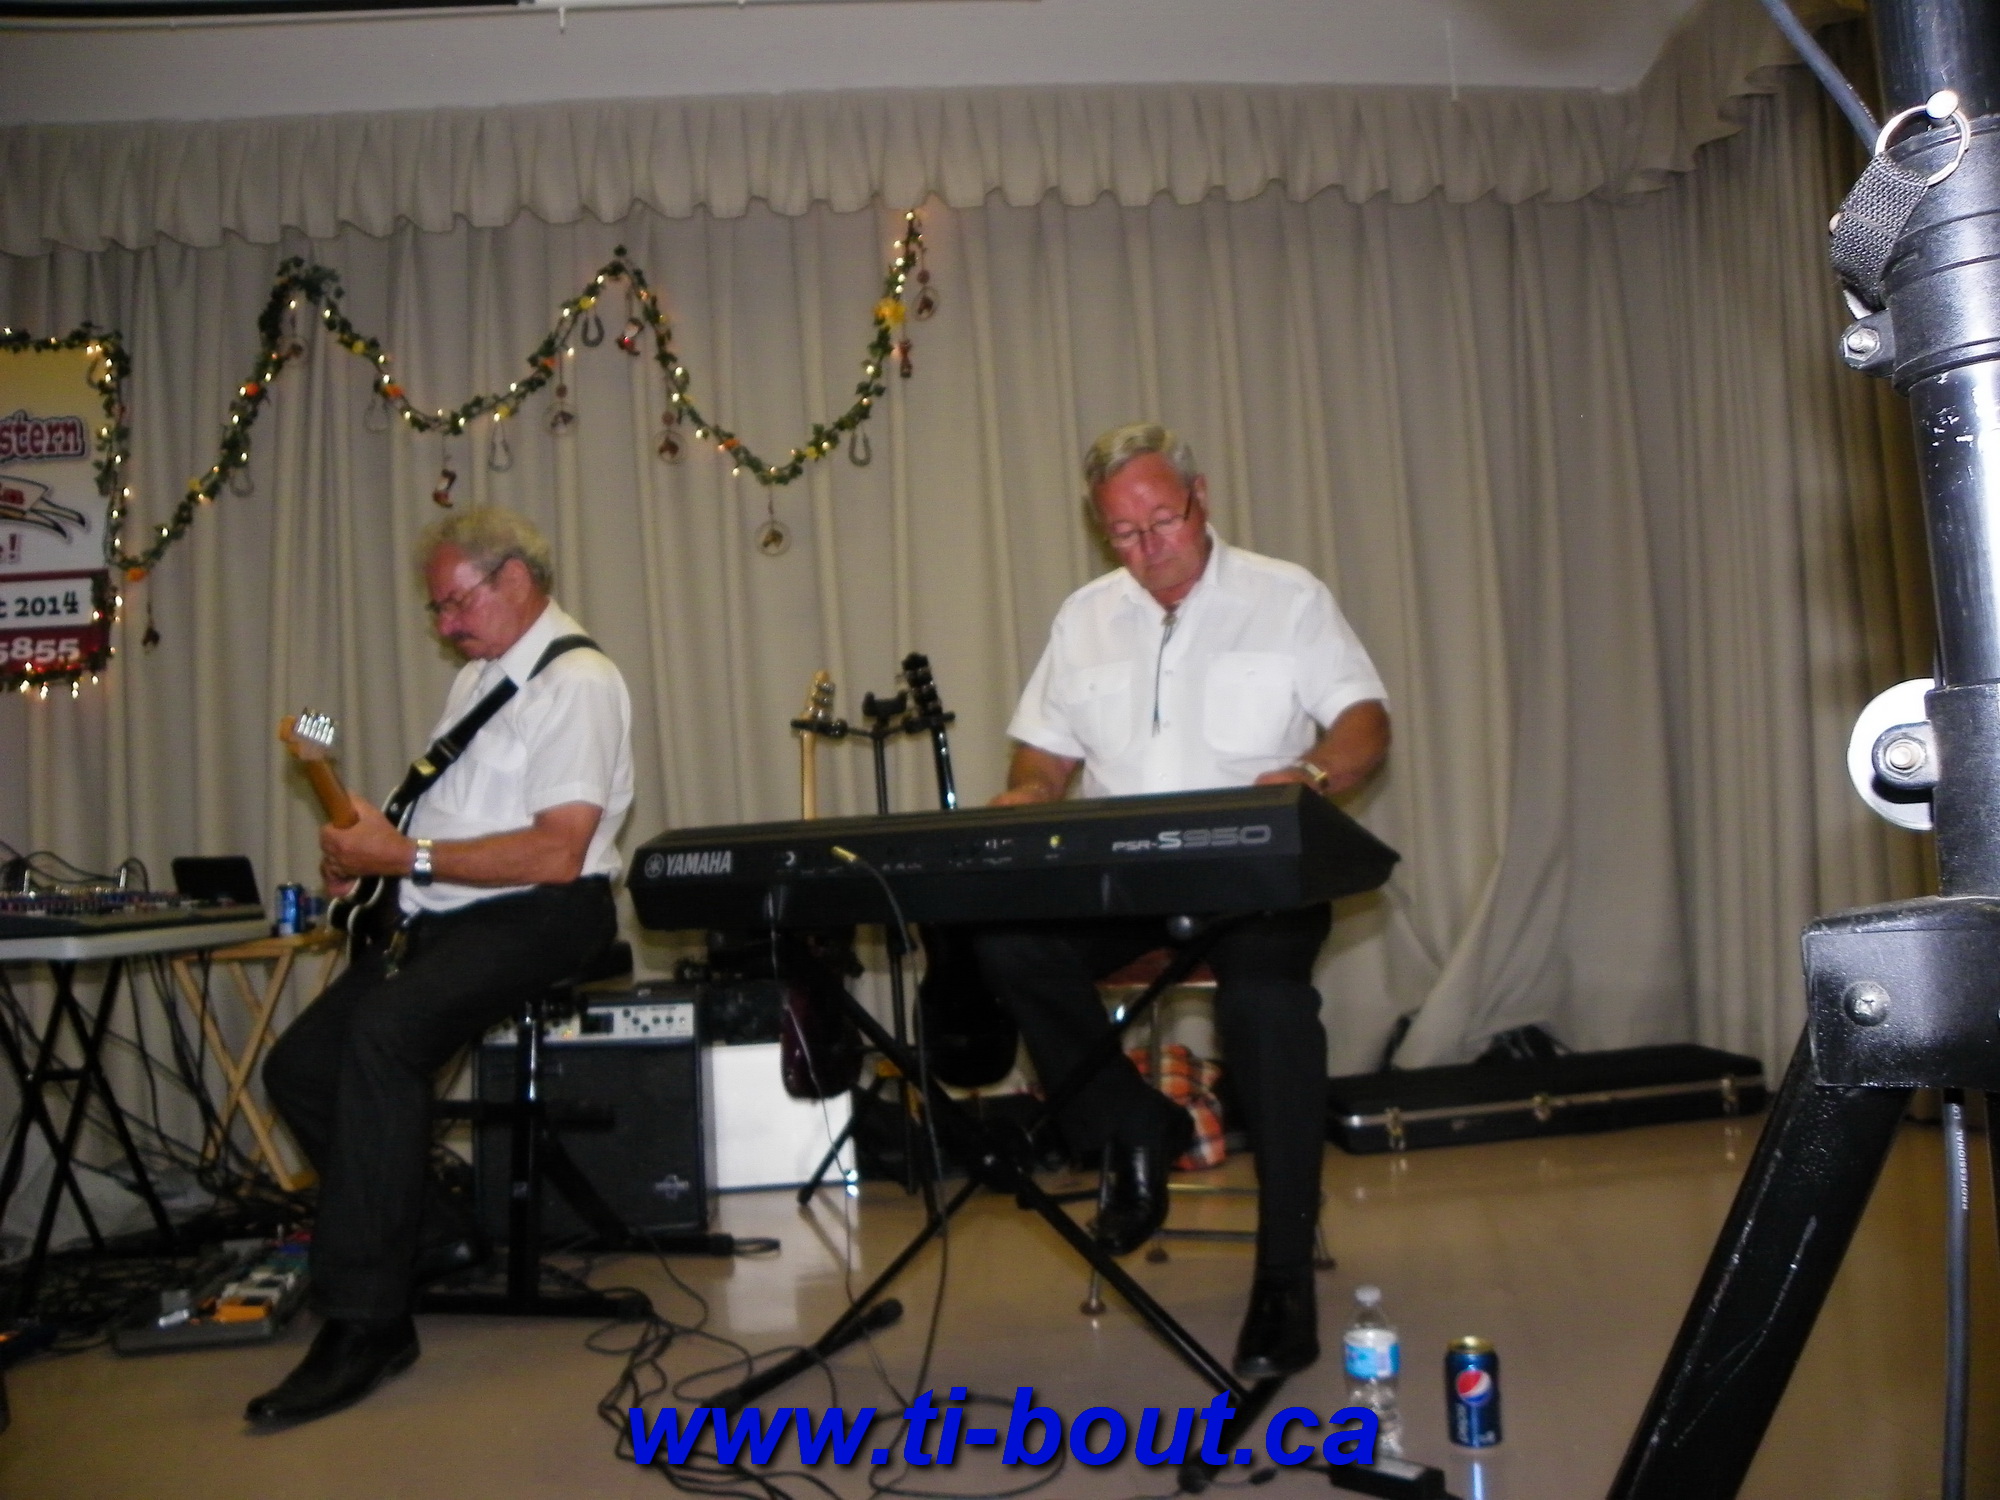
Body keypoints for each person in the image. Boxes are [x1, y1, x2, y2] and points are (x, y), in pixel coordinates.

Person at [975, 423, 1389, 1380]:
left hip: (1257, 872)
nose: (1147, 547)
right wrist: (1031, 789)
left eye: (1162, 521)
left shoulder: (1286, 597)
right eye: (1123, 533)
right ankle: (1129, 1125)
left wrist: (1313, 772)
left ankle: (1283, 1278)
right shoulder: (1085, 616)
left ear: (1201, 500)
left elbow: (1365, 721)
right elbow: (1043, 750)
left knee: (1268, 1009)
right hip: (1126, 874)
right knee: (1006, 942)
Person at [248, 507, 633, 1426]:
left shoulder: (578, 681)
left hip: (547, 912)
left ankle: (368, 1321)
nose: (446, 624)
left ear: (515, 579)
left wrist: (404, 857)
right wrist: (370, 859)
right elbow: (449, 823)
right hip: (450, 913)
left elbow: (557, 852)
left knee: (384, 1038)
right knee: (300, 1068)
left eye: (455, 603)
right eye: (437, 610)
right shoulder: (478, 681)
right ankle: (429, 1233)